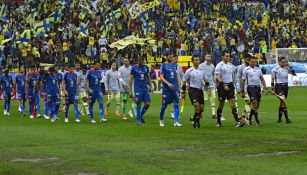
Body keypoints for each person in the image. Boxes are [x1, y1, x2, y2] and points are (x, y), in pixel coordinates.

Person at [215, 51, 245, 128]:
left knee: (233, 104)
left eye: (228, 56)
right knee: (221, 104)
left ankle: (237, 121)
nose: (228, 58)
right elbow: (217, 76)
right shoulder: (219, 65)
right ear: (222, 57)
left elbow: (236, 71)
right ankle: (218, 121)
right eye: (226, 56)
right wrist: (223, 85)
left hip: (230, 86)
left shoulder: (231, 65)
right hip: (222, 86)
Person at [183, 55, 210, 128]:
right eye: (196, 60)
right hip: (192, 90)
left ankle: (193, 118)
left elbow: (206, 80)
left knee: (202, 108)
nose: (197, 61)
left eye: (198, 60)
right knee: (197, 107)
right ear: (192, 61)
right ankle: (197, 123)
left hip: (200, 90)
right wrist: (183, 92)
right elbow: (184, 81)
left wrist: (208, 88)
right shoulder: (189, 71)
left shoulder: (202, 70)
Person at [241, 56, 267, 126]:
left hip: (258, 88)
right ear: (249, 61)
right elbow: (243, 80)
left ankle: (249, 117)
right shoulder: (246, 69)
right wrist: (242, 90)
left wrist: (265, 87)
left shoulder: (258, 69)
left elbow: (262, 79)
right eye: (252, 61)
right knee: (254, 103)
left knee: (257, 106)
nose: (253, 63)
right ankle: (257, 121)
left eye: (255, 62)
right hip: (250, 88)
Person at [159, 53, 183, 127]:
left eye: (171, 57)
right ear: (167, 57)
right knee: (164, 106)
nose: (171, 58)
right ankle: (161, 120)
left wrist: (178, 87)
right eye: (169, 57)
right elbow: (161, 77)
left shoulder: (174, 66)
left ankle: (176, 122)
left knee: (176, 104)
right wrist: (168, 83)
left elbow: (176, 76)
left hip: (174, 88)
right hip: (166, 89)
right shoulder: (163, 65)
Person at [129, 56, 154, 125]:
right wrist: (130, 91)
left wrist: (151, 86)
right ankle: (138, 120)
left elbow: (148, 77)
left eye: (143, 61)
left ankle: (140, 116)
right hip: (138, 88)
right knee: (139, 104)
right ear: (138, 61)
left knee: (148, 104)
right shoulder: (134, 68)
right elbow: (130, 80)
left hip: (145, 88)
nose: (142, 62)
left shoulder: (146, 67)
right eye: (141, 61)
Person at [271, 57, 293, 124]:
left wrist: (290, 67)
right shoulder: (275, 70)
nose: (284, 63)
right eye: (283, 62)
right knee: (283, 101)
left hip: (285, 86)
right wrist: (272, 89)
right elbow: (272, 80)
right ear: (279, 62)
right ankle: (287, 119)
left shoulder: (287, 68)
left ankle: (279, 119)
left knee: (282, 103)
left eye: (285, 62)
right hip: (279, 86)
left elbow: (294, 73)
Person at [236, 54, 252, 124]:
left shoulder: (252, 66)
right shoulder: (241, 67)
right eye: (248, 59)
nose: (249, 60)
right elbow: (238, 78)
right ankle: (248, 117)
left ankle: (242, 115)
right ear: (244, 59)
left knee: (250, 102)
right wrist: (239, 88)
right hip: (244, 88)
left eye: (250, 59)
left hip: (252, 87)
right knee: (248, 101)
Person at [199, 54, 216, 119]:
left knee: (213, 100)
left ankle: (213, 114)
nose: (209, 57)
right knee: (203, 101)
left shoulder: (212, 66)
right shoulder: (201, 66)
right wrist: (206, 86)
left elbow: (213, 75)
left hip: (212, 85)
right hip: (203, 87)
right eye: (208, 56)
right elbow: (201, 77)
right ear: (205, 57)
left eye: (210, 56)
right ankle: (200, 113)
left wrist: (214, 84)